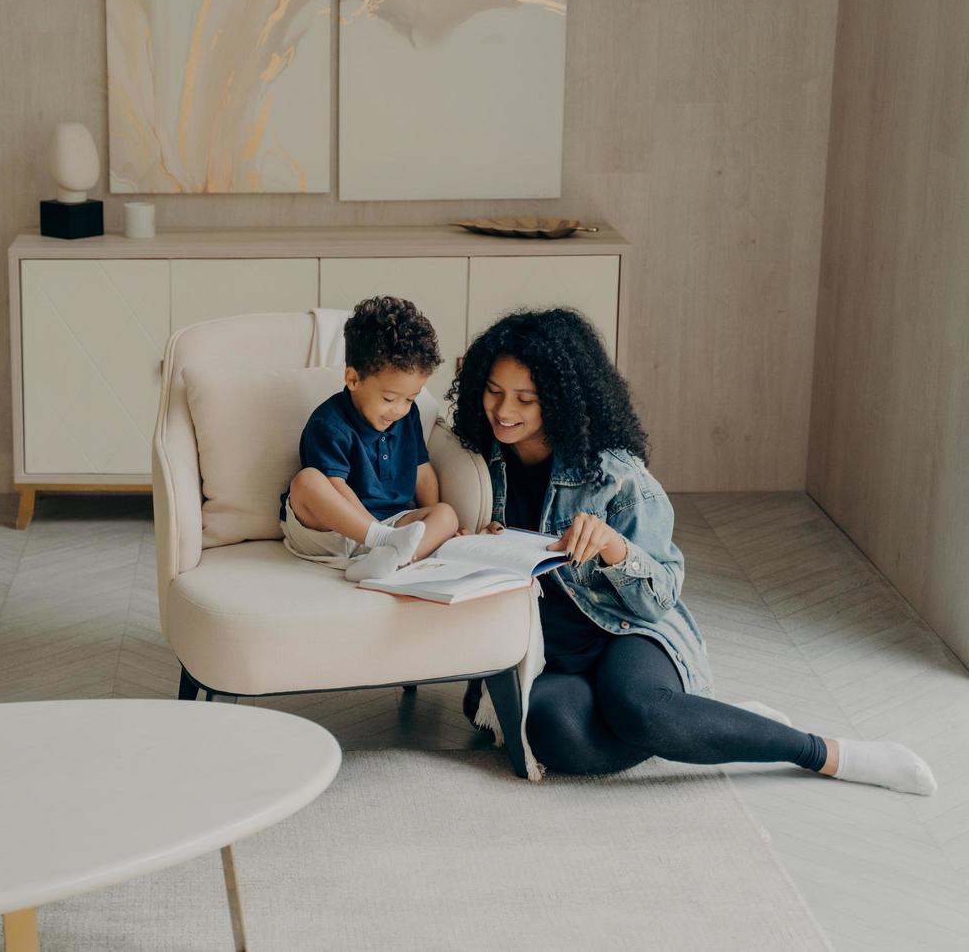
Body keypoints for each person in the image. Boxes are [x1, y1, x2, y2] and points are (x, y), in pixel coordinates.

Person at [448, 308, 936, 795]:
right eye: (494, 391)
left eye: (524, 399)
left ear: (557, 401)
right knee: (554, 732)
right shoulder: (474, 465)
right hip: (543, 647)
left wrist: (616, 550)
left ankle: (820, 752)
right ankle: (716, 724)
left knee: (640, 708)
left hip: (623, 630)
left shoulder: (616, 477)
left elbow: (657, 600)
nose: (503, 411)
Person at [281, 295, 460, 582]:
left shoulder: (407, 415)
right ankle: (386, 547)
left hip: (392, 526)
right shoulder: (329, 424)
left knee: (447, 514)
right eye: (389, 398)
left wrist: (429, 519)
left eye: (410, 399)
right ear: (353, 379)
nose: (399, 410)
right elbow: (336, 489)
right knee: (308, 481)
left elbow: (422, 474)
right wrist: (374, 532)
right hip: (331, 527)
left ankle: (395, 561)